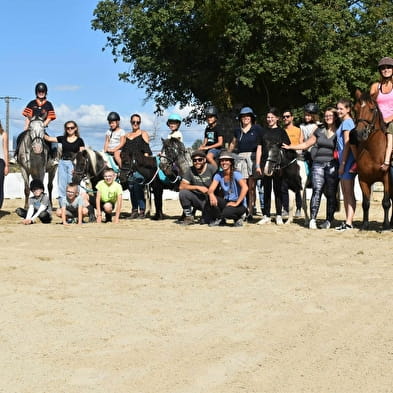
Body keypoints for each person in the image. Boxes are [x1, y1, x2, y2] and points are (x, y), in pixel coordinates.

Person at [283, 108, 340, 229]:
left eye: (330, 115)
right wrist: (290, 147)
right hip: (318, 163)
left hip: (332, 164)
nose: (328, 117)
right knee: (316, 190)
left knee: (330, 193)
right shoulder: (319, 130)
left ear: (335, 117)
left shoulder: (339, 130)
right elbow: (306, 144)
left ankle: (329, 219)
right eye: (326, 115)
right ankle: (312, 219)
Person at [255, 107, 291, 225]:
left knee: (278, 190)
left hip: (278, 166)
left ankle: (279, 215)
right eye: (268, 117)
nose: (269, 119)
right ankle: (266, 215)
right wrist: (257, 165)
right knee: (266, 190)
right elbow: (259, 148)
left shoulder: (281, 131)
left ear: (277, 119)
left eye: (272, 117)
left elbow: (286, 147)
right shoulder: (263, 132)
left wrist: (283, 165)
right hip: (265, 164)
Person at [228, 106, 262, 221]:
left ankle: (250, 211)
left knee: (251, 187)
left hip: (252, 157)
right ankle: (242, 209)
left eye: (248, 116)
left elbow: (260, 145)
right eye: (243, 116)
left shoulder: (257, 128)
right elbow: (233, 144)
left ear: (252, 118)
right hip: (240, 158)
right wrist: (227, 155)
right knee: (242, 186)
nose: (246, 118)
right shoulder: (237, 131)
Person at [44, 120, 85, 206]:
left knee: (72, 185)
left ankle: (74, 206)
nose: (70, 129)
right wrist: (40, 129)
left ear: (76, 128)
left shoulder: (80, 140)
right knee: (62, 186)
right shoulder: (62, 138)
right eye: (67, 128)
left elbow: (81, 156)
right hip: (62, 163)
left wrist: (77, 168)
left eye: (72, 128)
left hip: (72, 164)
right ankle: (63, 206)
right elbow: (48, 138)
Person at [207, 151, 248, 227]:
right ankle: (220, 219)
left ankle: (237, 219)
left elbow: (245, 188)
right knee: (210, 198)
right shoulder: (218, 175)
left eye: (226, 160)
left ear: (231, 162)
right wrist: (211, 194)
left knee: (227, 212)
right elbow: (211, 189)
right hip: (227, 201)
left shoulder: (236, 174)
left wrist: (236, 203)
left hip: (240, 204)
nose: (224, 162)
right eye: (222, 161)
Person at [123, 113, 152, 218]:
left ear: (140, 123)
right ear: (130, 122)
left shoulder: (143, 133)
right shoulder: (126, 136)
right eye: (133, 122)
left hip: (140, 166)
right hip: (129, 166)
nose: (135, 124)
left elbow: (147, 150)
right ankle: (134, 209)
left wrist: (145, 164)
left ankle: (142, 210)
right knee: (130, 186)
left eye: (138, 122)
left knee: (137, 184)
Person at [16, 82, 56, 157]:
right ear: (36, 92)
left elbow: (50, 118)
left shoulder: (49, 104)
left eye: (43, 91)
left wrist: (42, 126)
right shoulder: (31, 103)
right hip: (32, 127)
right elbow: (28, 117)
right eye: (39, 91)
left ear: (46, 92)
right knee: (17, 136)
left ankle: (53, 158)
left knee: (53, 138)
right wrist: (25, 128)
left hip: (43, 127)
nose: (41, 93)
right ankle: (16, 155)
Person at [178, 150, 216, 225]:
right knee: (183, 193)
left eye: (200, 159)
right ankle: (189, 217)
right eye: (194, 160)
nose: (197, 162)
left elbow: (219, 183)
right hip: (198, 200)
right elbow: (181, 186)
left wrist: (211, 192)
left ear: (204, 160)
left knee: (206, 220)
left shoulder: (212, 169)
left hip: (211, 200)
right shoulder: (190, 170)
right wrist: (198, 187)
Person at [369, 57, 393, 176]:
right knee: (355, 133)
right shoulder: (375, 86)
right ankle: (355, 161)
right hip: (376, 121)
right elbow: (369, 104)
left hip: (391, 121)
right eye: (383, 68)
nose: (386, 70)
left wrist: (388, 119)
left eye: (388, 67)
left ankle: (388, 161)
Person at [336, 98, 356, 231]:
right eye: (337, 108)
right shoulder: (343, 123)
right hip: (343, 160)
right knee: (345, 192)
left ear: (348, 109)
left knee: (348, 193)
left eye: (341, 108)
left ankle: (349, 222)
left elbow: (348, 144)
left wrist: (343, 163)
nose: (338, 111)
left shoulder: (348, 123)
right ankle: (347, 220)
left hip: (347, 161)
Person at [281, 109, 303, 218]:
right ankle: (285, 208)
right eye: (284, 117)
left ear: (292, 117)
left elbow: (302, 143)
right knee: (284, 186)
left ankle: (299, 208)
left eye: (287, 116)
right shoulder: (281, 131)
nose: (285, 118)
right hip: (284, 161)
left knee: (297, 186)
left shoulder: (298, 130)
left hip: (296, 159)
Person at [0, 122, 9, 210]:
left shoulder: (3, 134)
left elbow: (6, 150)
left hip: (0, 161)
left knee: (0, 185)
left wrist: (7, 165)